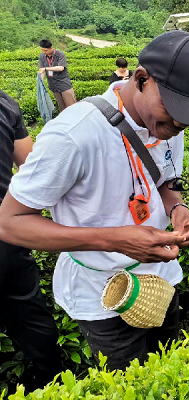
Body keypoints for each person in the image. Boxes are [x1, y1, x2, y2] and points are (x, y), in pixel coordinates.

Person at [0, 31, 189, 371]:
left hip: (161, 278)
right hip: (102, 297)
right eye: (174, 108)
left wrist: (177, 207)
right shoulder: (73, 134)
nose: (180, 123)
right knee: (131, 382)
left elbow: (165, 179)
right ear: (140, 79)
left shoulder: (167, 125)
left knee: (172, 371)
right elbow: (9, 223)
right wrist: (114, 240)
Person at [0, 90, 62, 390]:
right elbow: (30, 163)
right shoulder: (4, 102)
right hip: (6, 232)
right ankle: (51, 383)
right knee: (28, 312)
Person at [38, 39, 77, 113]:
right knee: (62, 108)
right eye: (42, 50)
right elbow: (42, 71)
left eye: (45, 50)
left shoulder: (60, 54)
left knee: (72, 106)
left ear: (51, 48)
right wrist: (41, 83)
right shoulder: (42, 56)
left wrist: (46, 68)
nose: (44, 52)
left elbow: (61, 68)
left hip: (64, 84)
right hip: (53, 86)